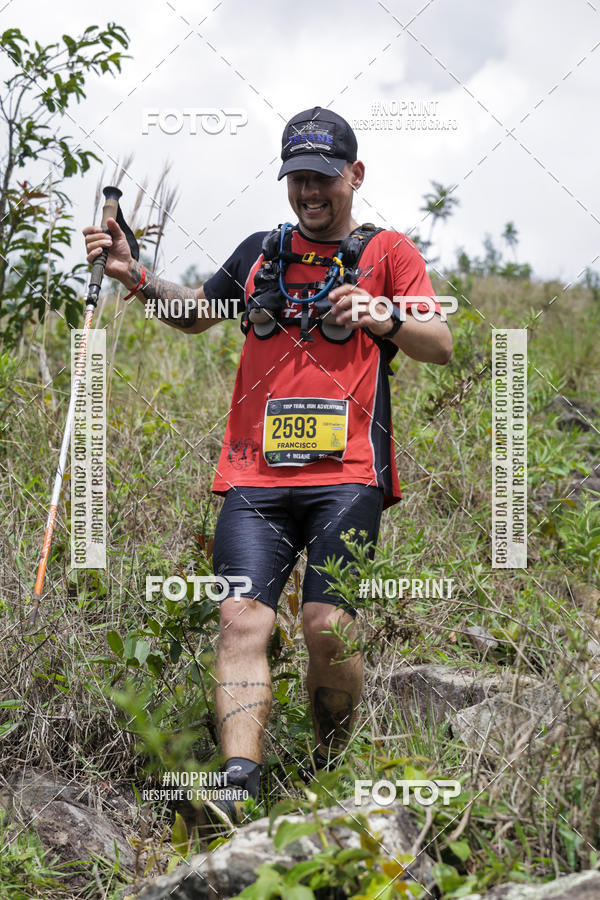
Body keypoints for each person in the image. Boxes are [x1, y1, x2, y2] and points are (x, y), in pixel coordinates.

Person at [83, 106, 452, 831]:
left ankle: (328, 763)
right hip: (254, 479)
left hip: (349, 476)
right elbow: (193, 313)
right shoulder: (259, 251)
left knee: (325, 625)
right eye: (297, 178)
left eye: (323, 177)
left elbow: (438, 341)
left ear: (356, 174)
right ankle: (240, 783)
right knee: (240, 618)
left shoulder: (389, 252)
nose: (310, 191)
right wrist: (135, 275)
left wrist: (382, 313)